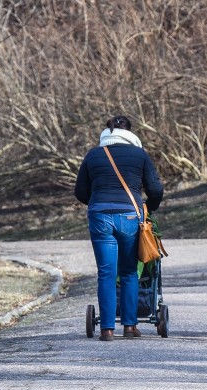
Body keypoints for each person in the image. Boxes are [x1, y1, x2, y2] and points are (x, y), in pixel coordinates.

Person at [74, 115, 164, 341]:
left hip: (100, 217)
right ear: (130, 133)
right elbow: (155, 189)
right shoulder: (139, 155)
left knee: (106, 273)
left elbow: (80, 192)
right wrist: (148, 209)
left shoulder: (93, 155)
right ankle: (129, 326)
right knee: (129, 272)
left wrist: (98, 205)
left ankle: (106, 329)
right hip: (129, 217)